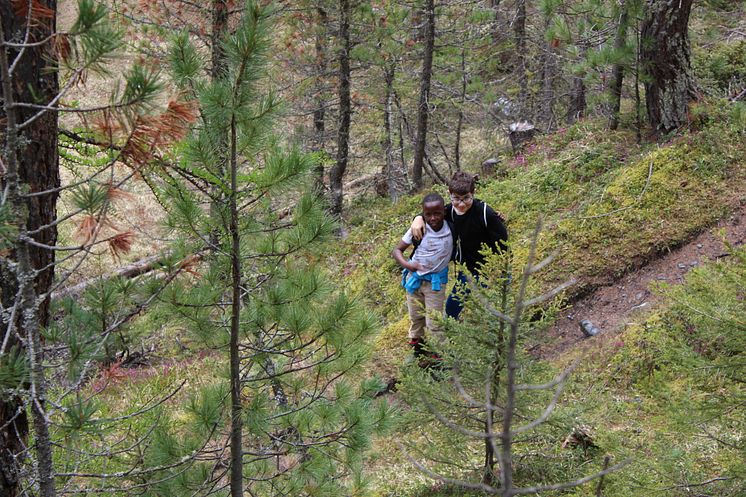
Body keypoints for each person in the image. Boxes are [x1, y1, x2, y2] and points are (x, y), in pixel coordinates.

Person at [411, 171, 508, 319]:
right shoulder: (448, 211)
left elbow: (503, 244)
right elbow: (430, 214)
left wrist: (500, 271)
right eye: (456, 198)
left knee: (496, 307)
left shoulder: (484, 213)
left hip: (490, 268)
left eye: (466, 198)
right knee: (451, 309)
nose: (461, 204)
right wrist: (418, 218)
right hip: (468, 269)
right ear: (450, 194)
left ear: (473, 194)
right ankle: (453, 336)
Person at [392, 193, 453, 360]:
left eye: (437, 213)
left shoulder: (451, 226)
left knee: (435, 322)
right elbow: (397, 250)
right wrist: (407, 264)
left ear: (444, 212)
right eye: (428, 214)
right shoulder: (418, 229)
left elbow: (467, 211)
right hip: (414, 280)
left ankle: (438, 356)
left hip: (435, 284)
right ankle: (417, 349)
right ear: (423, 214)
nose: (433, 218)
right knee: (416, 317)